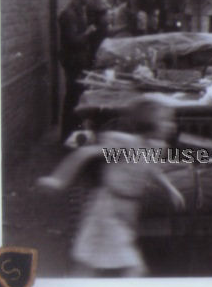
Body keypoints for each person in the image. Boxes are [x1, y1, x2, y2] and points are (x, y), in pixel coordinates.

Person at [38, 97, 185, 276]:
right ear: (148, 122)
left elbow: (152, 169)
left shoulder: (156, 147)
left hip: (126, 212)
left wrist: (169, 188)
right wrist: (58, 180)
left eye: (171, 120)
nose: (171, 125)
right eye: (165, 120)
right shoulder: (127, 145)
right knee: (129, 268)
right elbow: (84, 153)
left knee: (89, 264)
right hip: (107, 210)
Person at [58, 0, 96, 141]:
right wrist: (88, 32)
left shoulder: (78, 11)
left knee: (76, 98)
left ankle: (72, 135)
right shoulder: (69, 14)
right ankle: (67, 135)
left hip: (79, 61)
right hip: (73, 62)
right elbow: (73, 41)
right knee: (73, 98)